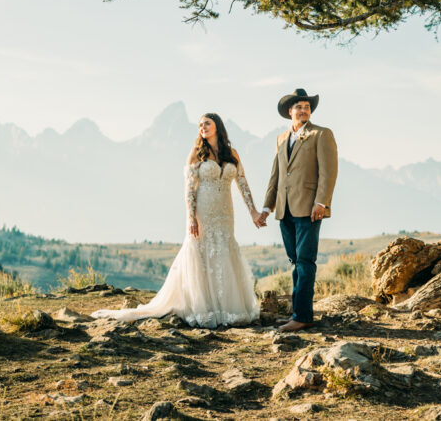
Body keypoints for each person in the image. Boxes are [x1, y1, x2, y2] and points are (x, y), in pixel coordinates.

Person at [91, 112, 263, 327]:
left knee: (224, 251)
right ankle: (205, 307)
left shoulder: (232, 153)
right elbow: (189, 189)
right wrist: (191, 217)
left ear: (217, 126)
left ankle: (228, 308)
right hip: (203, 211)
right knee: (202, 253)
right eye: (200, 125)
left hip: (225, 212)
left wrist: (253, 212)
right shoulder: (196, 153)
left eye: (207, 124)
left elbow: (243, 183)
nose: (202, 127)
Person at [255, 88, 338, 332]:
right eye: (299, 107)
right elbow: (276, 175)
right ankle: (297, 313)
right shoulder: (281, 139)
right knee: (294, 261)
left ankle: (303, 316)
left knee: (305, 261)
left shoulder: (321, 134)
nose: (303, 110)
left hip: (309, 207)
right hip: (285, 209)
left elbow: (329, 171)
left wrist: (321, 202)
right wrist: (267, 208)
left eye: (307, 107)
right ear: (290, 112)